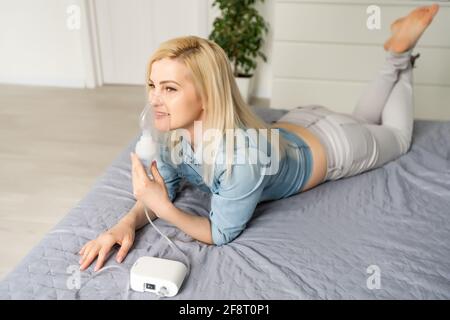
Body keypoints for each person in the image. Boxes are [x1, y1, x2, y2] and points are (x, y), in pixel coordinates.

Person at [78, 4, 440, 272]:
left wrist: (164, 209)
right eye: (153, 85)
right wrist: (124, 223)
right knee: (364, 119)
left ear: (207, 96)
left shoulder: (243, 157)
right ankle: (395, 54)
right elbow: (162, 190)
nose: (154, 98)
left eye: (170, 88)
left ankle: (401, 53)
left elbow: (219, 233)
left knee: (396, 136)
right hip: (300, 121)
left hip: (337, 145)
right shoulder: (171, 136)